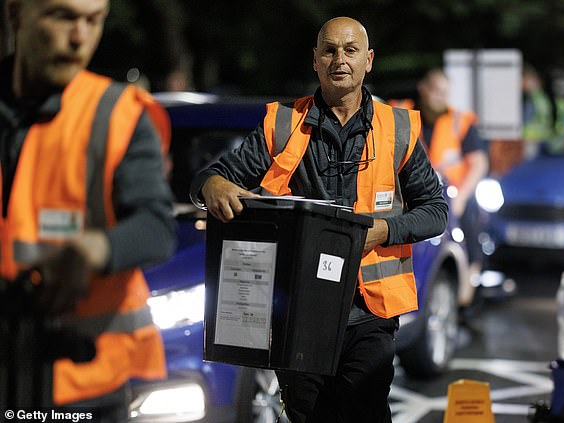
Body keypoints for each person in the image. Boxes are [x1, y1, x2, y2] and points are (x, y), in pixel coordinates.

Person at [190, 16, 447, 423]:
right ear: (315, 60)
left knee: (364, 411)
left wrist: (384, 230)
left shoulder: (397, 128)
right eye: (329, 50)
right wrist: (211, 186)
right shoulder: (283, 122)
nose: (339, 59)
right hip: (297, 311)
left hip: (370, 311)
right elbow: (213, 178)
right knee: (308, 416)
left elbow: (436, 209)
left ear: (369, 60)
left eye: (350, 50)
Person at [0, 0, 175, 419]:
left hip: (83, 389)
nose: (79, 38)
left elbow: (156, 226)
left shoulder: (119, 114)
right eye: (62, 16)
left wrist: (91, 251)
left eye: (93, 20)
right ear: (15, 13)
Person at [416, 68, 488, 305]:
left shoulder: (460, 121)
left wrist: (462, 198)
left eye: (444, 93)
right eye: (436, 91)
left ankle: (466, 292)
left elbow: (479, 163)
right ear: (423, 89)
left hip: (453, 193)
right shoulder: (404, 113)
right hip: (416, 193)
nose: (440, 98)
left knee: (469, 222)